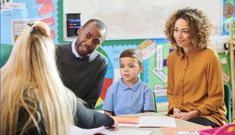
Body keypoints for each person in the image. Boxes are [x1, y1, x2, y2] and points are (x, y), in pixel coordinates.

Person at [1, 21, 117, 135]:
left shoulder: (3, 82)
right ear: (47, 60)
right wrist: (110, 120)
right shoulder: (55, 96)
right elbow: (89, 119)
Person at [164, 8, 227, 127]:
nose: (178, 35)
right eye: (176, 30)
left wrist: (192, 114)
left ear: (196, 32)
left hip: (208, 116)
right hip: (181, 115)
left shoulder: (210, 56)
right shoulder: (172, 58)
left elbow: (217, 98)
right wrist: (174, 108)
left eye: (185, 31)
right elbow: (171, 92)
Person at [56, 19, 108, 109]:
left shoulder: (100, 63)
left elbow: (91, 103)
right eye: (87, 36)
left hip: (78, 116)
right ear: (80, 31)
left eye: (96, 42)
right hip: (51, 113)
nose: (89, 43)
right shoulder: (54, 52)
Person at [102, 48, 155, 116]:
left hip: (138, 124)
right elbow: (108, 113)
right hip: (118, 125)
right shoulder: (112, 89)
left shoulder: (146, 90)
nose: (126, 70)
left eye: (131, 66)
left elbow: (148, 115)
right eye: (122, 66)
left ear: (141, 68)